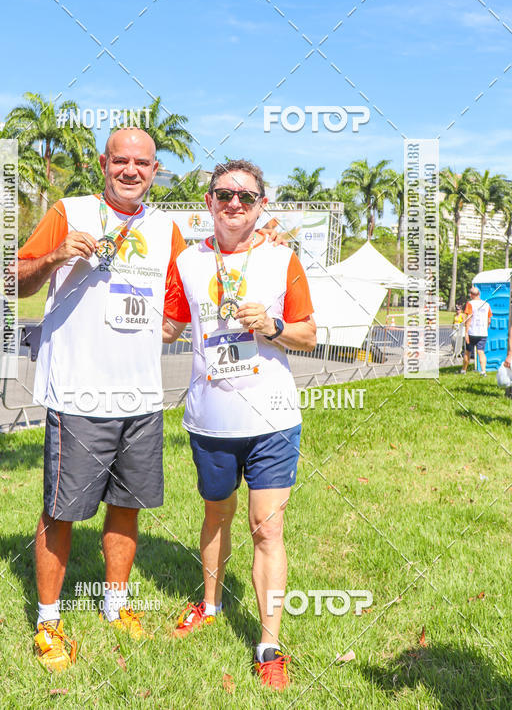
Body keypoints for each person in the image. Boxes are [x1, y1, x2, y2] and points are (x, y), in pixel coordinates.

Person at [16, 127, 190, 670]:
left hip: (140, 397)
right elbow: (14, 280)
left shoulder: (167, 230)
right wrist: (54, 258)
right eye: (121, 161)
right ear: (103, 163)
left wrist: (173, 326)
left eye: (142, 163)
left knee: (127, 506)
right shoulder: (69, 212)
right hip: (77, 394)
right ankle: (48, 623)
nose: (131, 171)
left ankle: (116, 607)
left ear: (155, 170)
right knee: (62, 511)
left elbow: (181, 302)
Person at [162, 159, 316, 691]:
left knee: (266, 527)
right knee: (216, 516)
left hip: (272, 417)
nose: (234, 204)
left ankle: (269, 641)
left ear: (261, 205)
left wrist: (273, 326)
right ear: (208, 201)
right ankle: (209, 604)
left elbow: (309, 335)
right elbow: (168, 326)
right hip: (210, 418)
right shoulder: (185, 262)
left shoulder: (282, 258)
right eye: (224, 195)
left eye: (246, 197)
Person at [459, 285, 492, 376]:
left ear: (471, 295)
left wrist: (466, 332)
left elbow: (468, 318)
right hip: (482, 332)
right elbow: (489, 320)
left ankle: (464, 370)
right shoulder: (486, 304)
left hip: (472, 332)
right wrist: (485, 329)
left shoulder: (470, 304)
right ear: (479, 294)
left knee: (468, 352)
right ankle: (483, 371)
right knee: (481, 352)